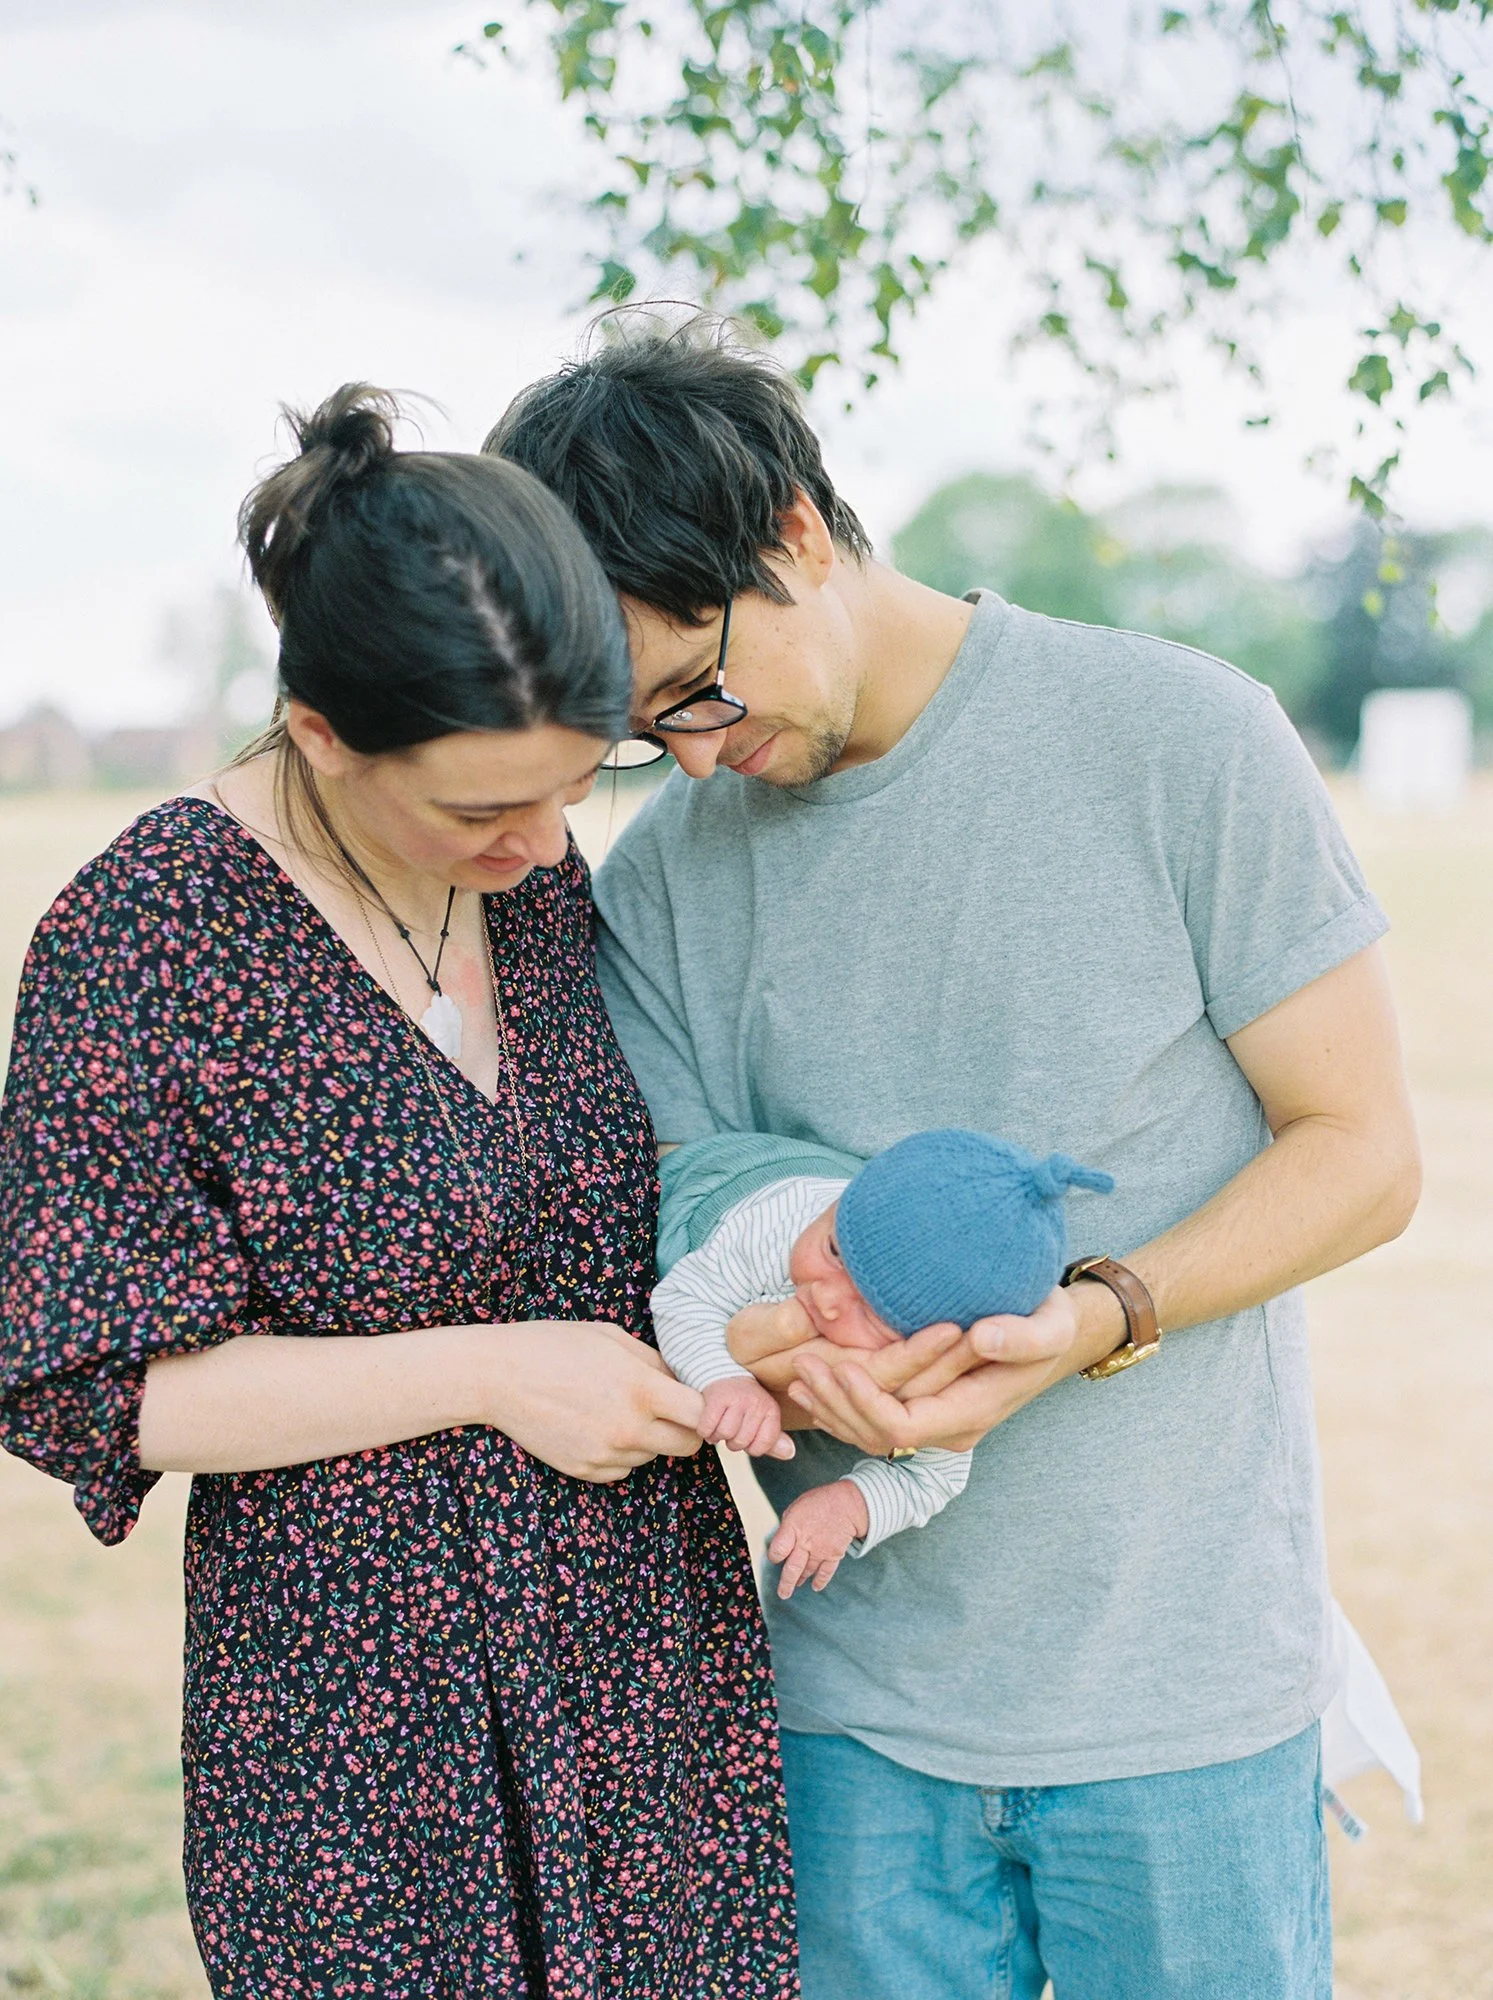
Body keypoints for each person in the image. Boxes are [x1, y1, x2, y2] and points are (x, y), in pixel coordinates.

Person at [488, 316, 1423, 2000]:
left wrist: (1096, 1315)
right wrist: (765, 1329)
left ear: (792, 530)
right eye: (636, 730)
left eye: (696, 691)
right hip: (846, 1718)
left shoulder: (1182, 738)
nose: (687, 757)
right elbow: (682, 1202)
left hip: (1181, 1698)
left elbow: (1362, 1152)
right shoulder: (663, 876)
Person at [0, 385, 797, 2000]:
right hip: (356, 1728)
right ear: (318, 737)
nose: (540, 847)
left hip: (643, 1671)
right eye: (480, 809)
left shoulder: (533, 888)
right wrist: (491, 1373)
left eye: (571, 789)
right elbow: (93, 1385)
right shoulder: (149, 935)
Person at [652, 1128, 1111, 1597]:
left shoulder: (935, 1370)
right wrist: (724, 1377)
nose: (827, 1298)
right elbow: (682, 1299)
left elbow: (934, 1476)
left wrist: (851, 1506)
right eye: (834, 1251)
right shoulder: (774, 1228)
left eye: (871, 1314)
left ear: (941, 1343)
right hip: (710, 1185)